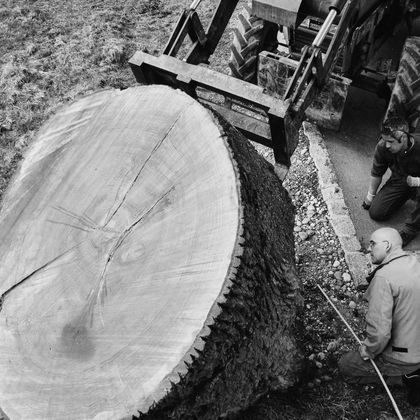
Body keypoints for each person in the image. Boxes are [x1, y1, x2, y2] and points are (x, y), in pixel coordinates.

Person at [338, 227, 420, 406]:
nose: (369, 248)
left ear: (387, 245)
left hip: (404, 357)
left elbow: (381, 333)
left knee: (345, 365)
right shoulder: (415, 262)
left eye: (373, 244)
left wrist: (368, 350)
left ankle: (406, 377)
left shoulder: (384, 277)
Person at [362, 116, 420, 246]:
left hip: (418, 181)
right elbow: (377, 171)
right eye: (384, 139)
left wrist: (416, 182)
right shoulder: (383, 147)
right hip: (402, 180)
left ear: (403, 138)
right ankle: (410, 194)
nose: (386, 145)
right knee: (376, 212)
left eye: (390, 141)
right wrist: (370, 197)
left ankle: (410, 230)